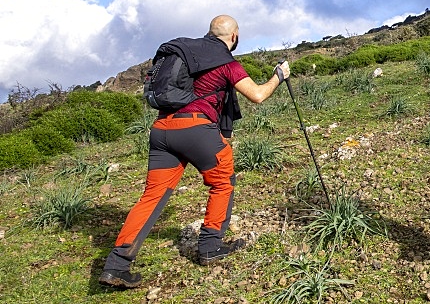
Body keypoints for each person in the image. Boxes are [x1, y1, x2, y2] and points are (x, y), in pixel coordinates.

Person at [99, 15, 291, 289]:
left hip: (163, 129)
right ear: (234, 37)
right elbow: (258, 95)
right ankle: (211, 247)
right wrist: (279, 77)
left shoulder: (188, 54)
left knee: (152, 196)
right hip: (196, 130)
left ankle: (117, 265)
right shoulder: (226, 62)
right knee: (222, 182)